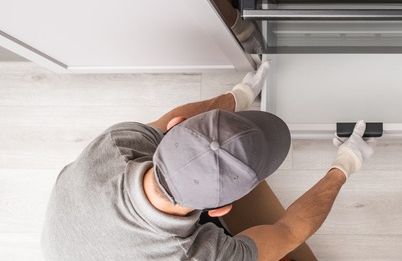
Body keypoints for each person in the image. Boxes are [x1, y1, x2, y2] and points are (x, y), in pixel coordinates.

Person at [41, 62, 376, 261]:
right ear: (220, 210)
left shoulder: (117, 145)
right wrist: (345, 165)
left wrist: (240, 95)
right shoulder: (197, 256)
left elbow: (170, 120)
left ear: (175, 130)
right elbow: (287, 232)